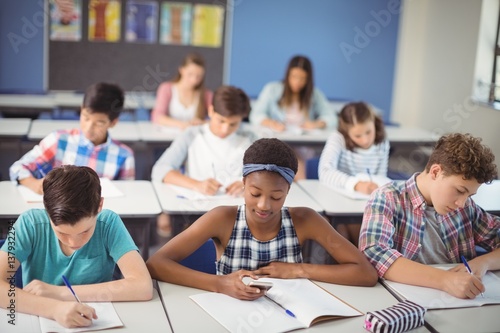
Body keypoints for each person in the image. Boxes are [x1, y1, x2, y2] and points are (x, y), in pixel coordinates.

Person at [147, 138, 378, 300]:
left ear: (288, 190)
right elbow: (156, 264)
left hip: (291, 315)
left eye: (276, 197)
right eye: (255, 194)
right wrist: (219, 284)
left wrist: (299, 270)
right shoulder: (222, 218)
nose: (264, 205)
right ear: (243, 183)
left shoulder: (305, 219)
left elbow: (365, 273)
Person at [0, 165, 152, 329]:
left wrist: (58, 293)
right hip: (39, 319)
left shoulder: (108, 223)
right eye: (62, 233)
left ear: (99, 206)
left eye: (85, 231)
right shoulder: (29, 224)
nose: (73, 243)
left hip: (95, 320)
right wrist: (53, 308)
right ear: (47, 210)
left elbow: (142, 286)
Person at [359, 133, 500, 299]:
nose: (462, 203)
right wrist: (445, 280)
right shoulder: (387, 198)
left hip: (457, 305)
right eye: (460, 191)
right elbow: (374, 254)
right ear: (435, 172)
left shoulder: (466, 209)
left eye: (469, 195)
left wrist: (483, 262)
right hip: (402, 305)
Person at [151, 85, 256, 236]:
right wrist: (197, 185)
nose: (225, 129)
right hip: (198, 214)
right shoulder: (192, 134)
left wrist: (248, 183)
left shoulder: (250, 137)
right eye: (221, 121)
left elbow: (269, 171)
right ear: (211, 110)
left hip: (239, 215)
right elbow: (160, 170)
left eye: (233, 124)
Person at [9, 82, 135, 195]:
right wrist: (35, 184)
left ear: (113, 122)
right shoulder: (58, 140)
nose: (89, 128)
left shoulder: (124, 156)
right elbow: (17, 168)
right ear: (81, 109)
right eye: (85, 117)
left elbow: (127, 196)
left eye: (99, 123)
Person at [250, 55, 336, 180]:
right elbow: (256, 115)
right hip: (278, 143)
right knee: (294, 162)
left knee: (294, 161)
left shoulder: (314, 94)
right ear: (287, 75)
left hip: (302, 145)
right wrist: (271, 123)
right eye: (294, 77)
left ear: (308, 79)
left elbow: (331, 118)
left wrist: (316, 124)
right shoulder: (272, 89)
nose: (297, 82)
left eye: (303, 78)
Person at [318, 102, 390, 246]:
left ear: (374, 122)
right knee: (344, 238)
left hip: (366, 205)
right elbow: (325, 171)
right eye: (357, 136)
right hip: (339, 202)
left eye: (369, 132)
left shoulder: (382, 142)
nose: (365, 140)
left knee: (372, 236)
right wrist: (356, 184)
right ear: (346, 132)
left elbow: (381, 176)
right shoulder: (338, 139)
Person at [151, 53, 213, 129]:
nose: (194, 80)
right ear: (181, 70)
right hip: (169, 135)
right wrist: (181, 124)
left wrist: (202, 123)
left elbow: (217, 120)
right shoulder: (166, 89)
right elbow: (157, 117)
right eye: (190, 74)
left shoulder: (206, 94)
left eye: (199, 76)